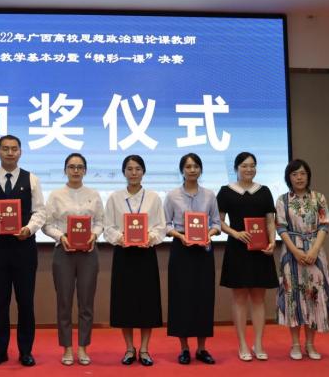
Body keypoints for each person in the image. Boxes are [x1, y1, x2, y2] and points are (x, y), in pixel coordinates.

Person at [0, 135, 46, 367]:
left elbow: (40, 211)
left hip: (24, 248)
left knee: (26, 302)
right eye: (5, 149)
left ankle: (26, 351)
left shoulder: (32, 179)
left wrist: (29, 229)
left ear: (20, 152)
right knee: (0, 302)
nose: (10, 153)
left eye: (14, 149)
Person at [42, 153, 104, 366]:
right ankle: (67, 348)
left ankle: (83, 347)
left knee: (86, 303)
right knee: (64, 302)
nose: (75, 170)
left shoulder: (94, 194)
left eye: (79, 167)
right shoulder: (56, 195)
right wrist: (61, 237)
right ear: (65, 170)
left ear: (85, 170)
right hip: (64, 252)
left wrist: (94, 235)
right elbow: (47, 225)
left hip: (88, 253)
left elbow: (100, 222)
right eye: (71, 167)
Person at [104, 155, 165, 366]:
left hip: (146, 255)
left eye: (138, 169)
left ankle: (145, 349)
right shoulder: (114, 198)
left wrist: (150, 238)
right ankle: (129, 348)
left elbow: (160, 227)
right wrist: (120, 238)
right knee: (125, 302)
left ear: (143, 172)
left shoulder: (154, 198)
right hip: (124, 254)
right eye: (129, 169)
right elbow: (108, 227)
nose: (133, 173)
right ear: (124, 172)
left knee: (148, 302)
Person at [217, 152, 278, 361]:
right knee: (240, 298)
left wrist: (272, 242)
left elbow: (270, 221)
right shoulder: (226, 191)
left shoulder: (264, 191)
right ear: (236, 168)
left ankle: (258, 343)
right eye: (244, 165)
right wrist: (235, 233)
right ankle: (242, 343)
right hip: (237, 249)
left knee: (259, 299)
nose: (249, 169)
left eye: (252, 165)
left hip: (260, 250)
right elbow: (219, 221)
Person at [164, 153, 221, 365]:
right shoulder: (172, 196)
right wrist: (180, 236)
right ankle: (184, 348)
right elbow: (165, 225)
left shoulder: (209, 195)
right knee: (181, 297)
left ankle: (202, 348)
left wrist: (208, 234)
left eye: (196, 166)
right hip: (181, 248)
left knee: (203, 297)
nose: (192, 170)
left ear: (201, 169)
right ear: (182, 170)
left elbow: (216, 223)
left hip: (203, 250)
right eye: (188, 166)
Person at [276, 159, 329, 360]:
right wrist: (295, 251)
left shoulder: (319, 198)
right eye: (294, 174)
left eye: (302, 173)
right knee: (292, 297)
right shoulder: (282, 200)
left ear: (308, 176)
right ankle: (295, 344)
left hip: (315, 252)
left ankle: (310, 344)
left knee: (313, 296)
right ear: (288, 178)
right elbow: (281, 228)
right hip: (291, 253)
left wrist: (314, 251)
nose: (299, 177)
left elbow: (324, 225)